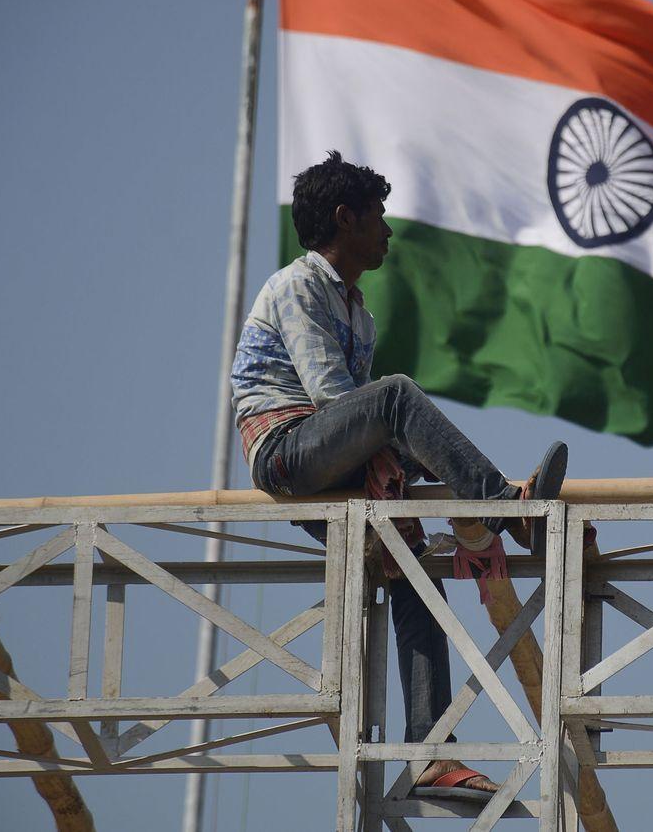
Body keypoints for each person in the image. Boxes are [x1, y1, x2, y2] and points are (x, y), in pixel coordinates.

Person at [231, 150, 567, 796]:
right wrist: (408, 457)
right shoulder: (298, 286)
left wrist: (407, 464)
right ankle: (502, 503)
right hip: (285, 449)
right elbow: (339, 401)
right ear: (344, 218)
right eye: (377, 216)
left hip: (327, 457)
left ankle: (432, 756)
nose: (386, 230)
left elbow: (364, 426)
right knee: (396, 394)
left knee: (413, 570)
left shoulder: (358, 312)